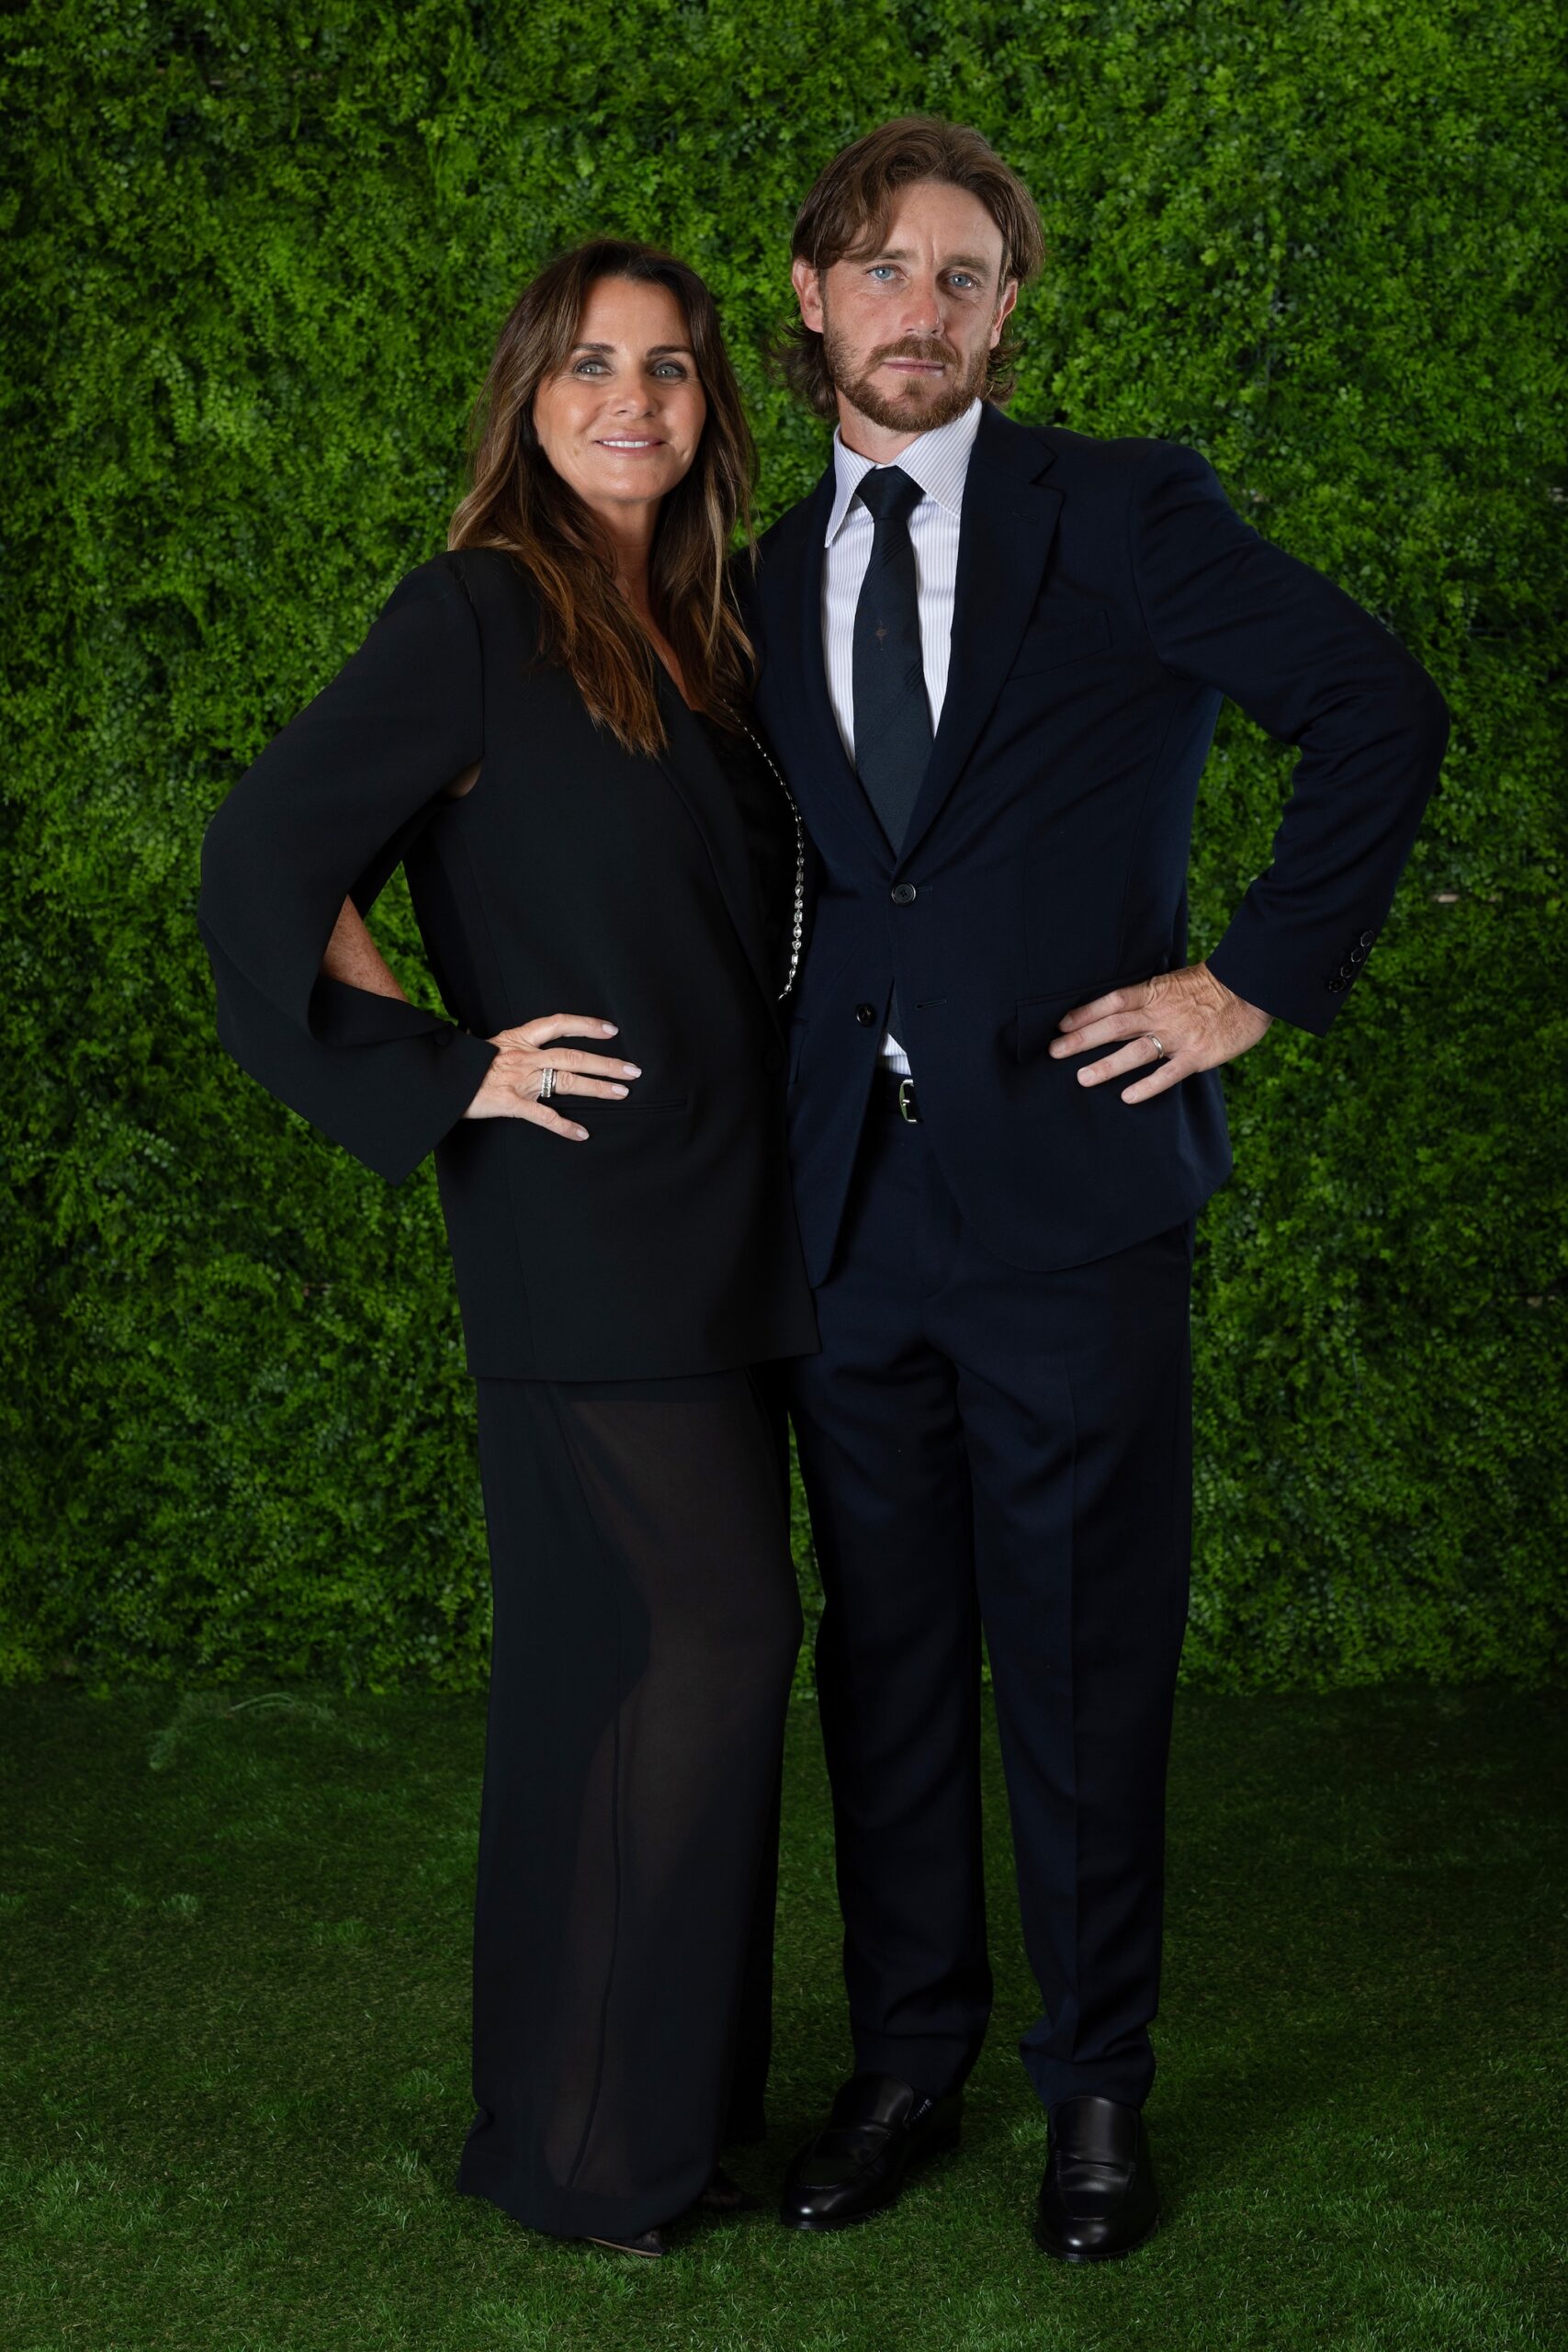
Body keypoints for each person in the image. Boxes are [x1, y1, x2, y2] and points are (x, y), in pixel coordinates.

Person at [741, 118, 1449, 2263]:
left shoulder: (1125, 510)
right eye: (878, 269)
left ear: (1008, 308)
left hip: (1066, 1205)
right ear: (807, 300)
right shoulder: (756, 562)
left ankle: (1095, 2086)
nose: (919, 308)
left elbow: (1368, 705)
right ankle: (906, 2052)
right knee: (883, 1658)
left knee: (1073, 1655)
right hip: (842, 1217)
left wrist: (1244, 984)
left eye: (961, 274)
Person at [198, 241, 818, 2258]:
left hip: (740, 1219)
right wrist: (437, 1064)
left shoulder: (711, 635)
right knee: (713, 1638)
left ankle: (626, 2116)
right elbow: (267, 854)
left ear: (712, 405)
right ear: (527, 397)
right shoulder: (477, 612)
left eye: (664, 368)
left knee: (614, 1666)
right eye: (585, 365)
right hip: (585, 1216)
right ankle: (597, 2148)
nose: (626, 399)